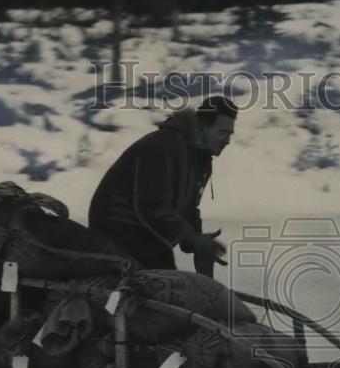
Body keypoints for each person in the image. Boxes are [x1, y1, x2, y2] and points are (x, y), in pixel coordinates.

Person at [88, 96, 237, 275]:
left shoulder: (201, 160)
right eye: (223, 132)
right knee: (165, 286)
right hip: (117, 229)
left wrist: (199, 244)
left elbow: (189, 210)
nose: (228, 141)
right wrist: (192, 239)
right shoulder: (164, 146)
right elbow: (151, 206)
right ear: (203, 127)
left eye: (230, 134)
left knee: (169, 285)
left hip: (146, 235)